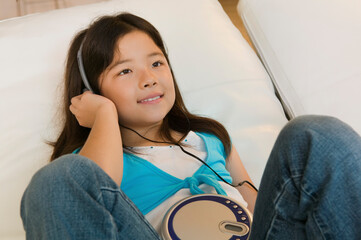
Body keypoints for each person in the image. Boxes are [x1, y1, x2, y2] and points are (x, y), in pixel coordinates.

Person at [20, 13, 361, 240]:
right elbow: (83, 189)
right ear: (91, 91)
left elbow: (262, 212)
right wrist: (105, 117)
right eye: (125, 71)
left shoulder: (210, 138)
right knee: (56, 180)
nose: (149, 78)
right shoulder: (91, 164)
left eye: (156, 63)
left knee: (316, 135)